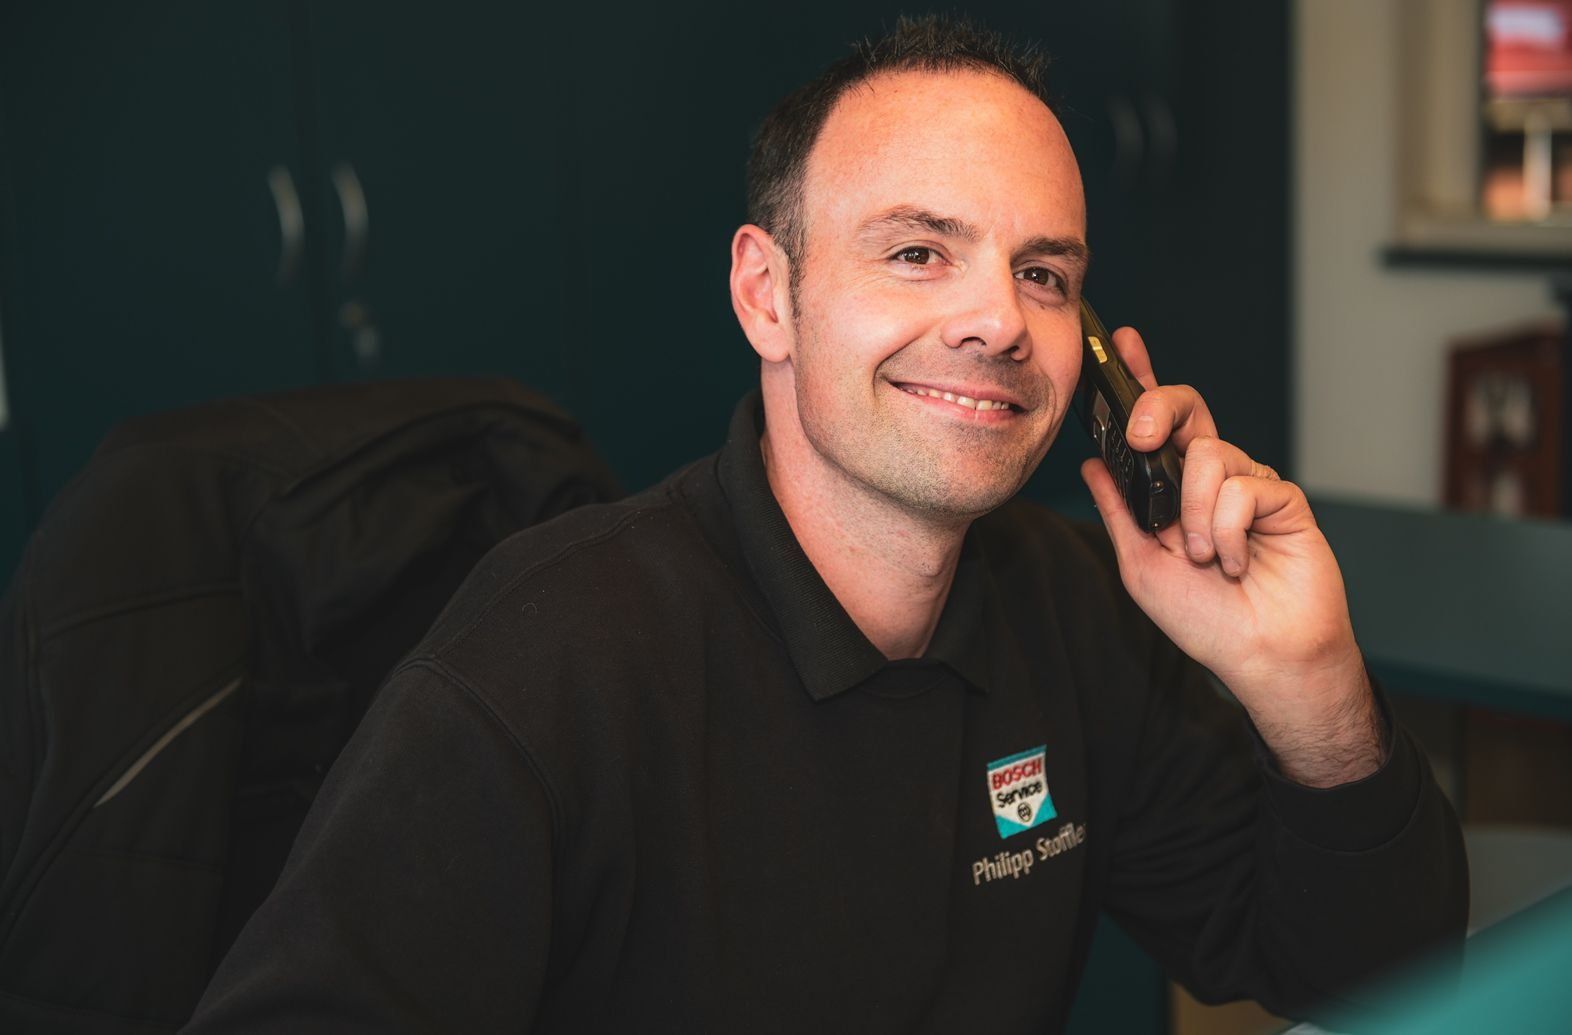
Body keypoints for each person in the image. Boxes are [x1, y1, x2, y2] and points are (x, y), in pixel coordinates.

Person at [185, 15, 1466, 1033]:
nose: (998, 322)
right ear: (767, 297)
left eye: (1043, 273)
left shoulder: (1076, 607)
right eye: (917, 252)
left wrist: (1310, 682)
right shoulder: (538, 674)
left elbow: (1372, 984)